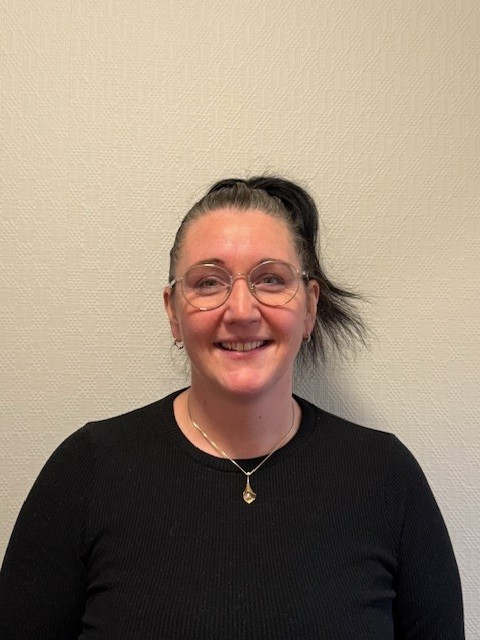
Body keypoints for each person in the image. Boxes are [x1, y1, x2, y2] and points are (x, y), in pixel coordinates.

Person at [0, 177, 464, 639]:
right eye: (208, 283)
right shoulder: (87, 470)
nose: (241, 310)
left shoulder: (387, 478)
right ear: (172, 312)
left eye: (271, 279)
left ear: (309, 307)